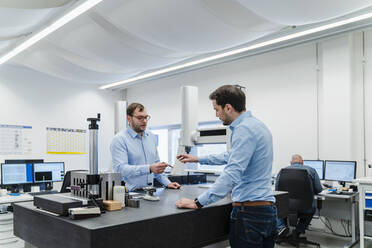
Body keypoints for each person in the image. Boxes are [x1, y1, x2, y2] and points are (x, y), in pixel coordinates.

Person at [175, 85, 277, 248]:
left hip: (249, 213)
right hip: (267, 211)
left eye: (216, 109)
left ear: (228, 107)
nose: (216, 115)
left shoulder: (243, 129)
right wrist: (197, 158)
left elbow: (232, 173)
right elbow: (231, 156)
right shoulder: (258, 126)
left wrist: (199, 202)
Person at [110, 103, 180, 191]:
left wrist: (168, 183)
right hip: (129, 194)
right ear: (129, 118)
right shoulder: (119, 139)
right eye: (140, 118)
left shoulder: (151, 137)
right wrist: (149, 168)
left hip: (150, 192)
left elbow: (156, 164)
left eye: (146, 117)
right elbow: (120, 169)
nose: (144, 121)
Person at [275, 154, 322, 239]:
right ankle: (298, 231)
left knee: (277, 208)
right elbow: (318, 189)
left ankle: (282, 228)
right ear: (302, 162)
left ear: (291, 162)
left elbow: (276, 189)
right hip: (305, 207)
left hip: (286, 206)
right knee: (311, 209)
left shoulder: (282, 171)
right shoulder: (311, 170)